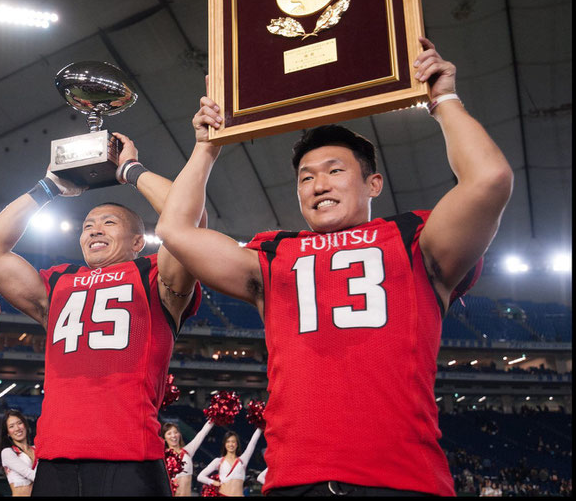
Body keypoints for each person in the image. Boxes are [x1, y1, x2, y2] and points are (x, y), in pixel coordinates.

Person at [156, 37, 513, 496]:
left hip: (402, 480)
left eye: (334, 170)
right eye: (305, 177)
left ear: (373, 183)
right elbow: (176, 230)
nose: (318, 184)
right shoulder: (273, 255)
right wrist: (207, 146)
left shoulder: (415, 241)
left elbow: (489, 178)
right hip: (294, 480)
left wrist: (443, 98)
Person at [0, 132, 204, 496]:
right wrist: (48, 186)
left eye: (110, 222)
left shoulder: (154, 276)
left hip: (130, 459)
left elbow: (187, 219)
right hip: (55, 460)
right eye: (87, 225)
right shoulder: (59, 282)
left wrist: (131, 170)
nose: (95, 228)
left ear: (137, 242)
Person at [196, 429, 262, 497]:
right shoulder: (218, 461)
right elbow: (200, 477)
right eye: (228, 442)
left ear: (237, 444)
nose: (231, 444)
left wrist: (259, 428)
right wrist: (214, 482)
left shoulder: (243, 460)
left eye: (233, 442)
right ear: (225, 444)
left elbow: (253, 442)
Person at [161, 420, 214, 496]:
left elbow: (203, 433)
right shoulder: (163, 456)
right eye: (169, 433)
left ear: (179, 434)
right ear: (164, 438)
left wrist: (214, 417)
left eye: (176, 432)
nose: (173, 436)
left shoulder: (188, 451)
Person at [0, 410, 37, 496]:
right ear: (8, 433)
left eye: (19, 423)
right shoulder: (8, 452)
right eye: (11, 426)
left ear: (25, 425)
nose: (17, 428)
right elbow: (30, 474)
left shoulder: (37, 449)